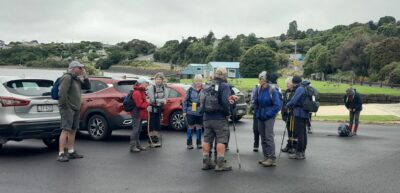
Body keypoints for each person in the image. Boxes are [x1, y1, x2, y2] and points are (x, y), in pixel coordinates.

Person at [57, 61, 90, 162]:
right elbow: (62, 93)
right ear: (73, 68)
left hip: (76, 107)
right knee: (65, 129)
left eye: (82, 68)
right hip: (68, 108)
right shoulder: (67, 77)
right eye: (80, 68)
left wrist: (85, 76)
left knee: (73, 130)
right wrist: (66, 106)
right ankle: (61, 153)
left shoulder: (76, 79)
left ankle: (71, 151)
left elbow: (88, 87)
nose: (81, 70)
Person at [201, 67, 232, 172]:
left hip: (206, 117)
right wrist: (227, 114)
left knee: (206, 140)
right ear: (224, 75)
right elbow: (224, 102)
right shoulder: (225, 86)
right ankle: (220, 164)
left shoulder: (207, 84)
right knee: (221, 140)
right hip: (219, 118)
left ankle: (206, 162)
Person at [254, 71, 282, 167]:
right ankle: (265, 157)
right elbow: (256, 102)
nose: (259, 80)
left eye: (260, 79)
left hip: (268, 117)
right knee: (263, 137)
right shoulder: (259, 89)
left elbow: (277, 105)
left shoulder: (272, 90)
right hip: (260, 116)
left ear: (265, 80)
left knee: (268, 137)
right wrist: (257, 112)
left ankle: (272, 158)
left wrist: (269, 114)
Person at [286, 76, 308, 160]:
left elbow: (294, 100)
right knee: (303, 133)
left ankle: (299, 153)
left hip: (299, 113)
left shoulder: (300, 89)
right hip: (305, 113)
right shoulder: (305, 87)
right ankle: (302, 152)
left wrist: (287, 105)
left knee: (300, 134)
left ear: (294, 82)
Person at [147, 72, 169, 148]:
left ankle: (155, 140)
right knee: (151, 125)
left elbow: (166, 99)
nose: (158, 80)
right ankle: (151, 140)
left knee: (157, 124)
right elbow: (152, 100)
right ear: (155, 79)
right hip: (151, 109)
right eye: (157, 79)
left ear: (162, 80)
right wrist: (161, 100)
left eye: (160, 79)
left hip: (159, 109)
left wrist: (160, 101)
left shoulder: (164, 87)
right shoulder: (151, 87)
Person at [183, 74, 204, 149]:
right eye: (196, 81)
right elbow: (185, 101)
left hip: (200, 111)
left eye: (199, 81)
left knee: (199, 127)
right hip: (190, 111)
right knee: (190, 127)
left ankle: (199, 143)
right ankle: (189, 143)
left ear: (202, 81)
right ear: (194, 81)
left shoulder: (204, 89)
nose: (198, 83)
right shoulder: (190, 89)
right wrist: (184, 111)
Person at [129, 79, 150, 152]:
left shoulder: (141, 91)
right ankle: (132, 146)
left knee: (138, 130)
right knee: (135, 130)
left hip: (139, 113)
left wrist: (146, 101)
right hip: (136, 113)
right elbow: (139, 105)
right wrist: (148, 103)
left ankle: (138, 145)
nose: (147, 85)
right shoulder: (137, 92)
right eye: (146, 83)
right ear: (142, 83)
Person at [281, 77, 296, 154]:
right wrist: (283, 113)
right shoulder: (286, 92)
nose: (286, 85)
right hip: (287, 115)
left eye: (288, 84)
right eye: (286, 84)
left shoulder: (295, 92)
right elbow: (283, 103)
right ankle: (289, 145)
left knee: (294, 131)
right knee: (289, 131)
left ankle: (294, 146)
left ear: (292, 84)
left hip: (293, 115)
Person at [250, 84, 260, 152]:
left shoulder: (269, 88)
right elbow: (252, 98)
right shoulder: (256, 87)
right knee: (255, 128)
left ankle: (266, 146)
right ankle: (256, 144)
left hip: (265, 112)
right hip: (256, 111)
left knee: (265, 130)